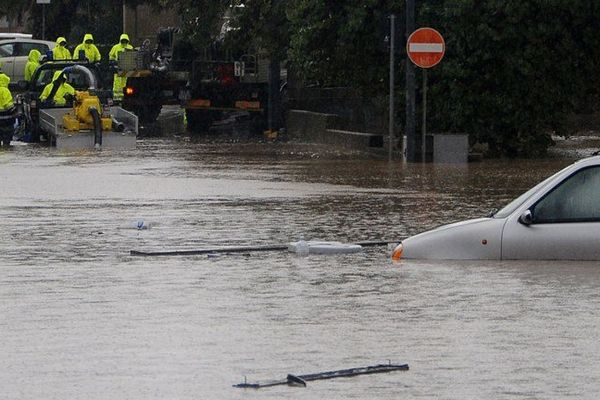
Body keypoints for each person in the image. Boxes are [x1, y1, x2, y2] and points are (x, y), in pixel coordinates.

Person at [108, 33, 133, 101]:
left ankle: (124, 98)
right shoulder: (116, 47)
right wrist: (113, 62)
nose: (124, 41)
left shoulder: (130, 47)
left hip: (126, 68)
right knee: (117, 84)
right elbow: (111, 55)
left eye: (125, 40)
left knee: (125, 83)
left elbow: (133, 57)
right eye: (123, 40)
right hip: (117, 68)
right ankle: (117, 99)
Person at [0, 72, 15, 147]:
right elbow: (8, 105)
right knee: (6, 141)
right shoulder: (5, 91)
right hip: (5, 119)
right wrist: (14, 109)